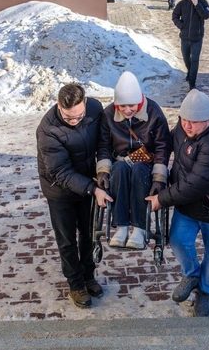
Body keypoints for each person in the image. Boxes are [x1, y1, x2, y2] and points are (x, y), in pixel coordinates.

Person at [146, 89, 209, 317]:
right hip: (191, 203)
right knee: (178, 240)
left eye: (194, 122)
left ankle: (205, 292)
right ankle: (192, 274)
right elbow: (168, 143)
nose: (187, 126)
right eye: (184, 120)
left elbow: (196, 184)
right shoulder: (186, 127)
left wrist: (160, 199)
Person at [36, 83, 113, 309]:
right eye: (69, 118)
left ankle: (89, 276)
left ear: (86, 103)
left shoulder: (95, 108)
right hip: (59, 190)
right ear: (59, 105)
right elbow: (60, 172)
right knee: (67, 240)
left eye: (79, 116)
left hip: (88, 182)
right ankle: (76, 283)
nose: (75, 121)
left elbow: (103, 141)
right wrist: (93, 188)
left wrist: (102, 170)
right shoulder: (48, 130)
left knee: (89, 234)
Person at [96, 71, 171, 250]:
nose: (127, 110)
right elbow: (104, 146)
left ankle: (139, 228)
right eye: (122, 106)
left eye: (132, 105)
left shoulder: (154, 112)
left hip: (146, 163)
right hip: (120, 161)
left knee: (138, 170)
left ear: (139, 101)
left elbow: (162, 146)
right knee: (119, 168)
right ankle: (120, 226)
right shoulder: (108, 114)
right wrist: (103, 170)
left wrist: (159, 178)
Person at [172, 0, 209, 90]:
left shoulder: (203, 3)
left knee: (195, 60)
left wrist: (197, 5)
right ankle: (190, 71)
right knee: (186, 58)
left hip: (197, 38)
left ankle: (192, 82)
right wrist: (181, 25)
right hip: (184, 37)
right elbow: (175, 16)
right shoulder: (182, 4)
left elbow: (206, 16)